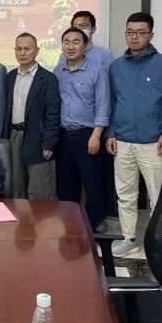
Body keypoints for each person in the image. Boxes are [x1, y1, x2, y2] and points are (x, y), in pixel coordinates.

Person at [106, 12, 162, 257]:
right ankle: (129, 238)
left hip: (154, 142)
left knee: (158, 196)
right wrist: (111, 133)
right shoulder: (116, 66)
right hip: (122, 141)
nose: (134, 37)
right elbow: (112, 102)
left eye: (140, 32)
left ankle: (159, 241)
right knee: (125, 195)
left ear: (151, 35)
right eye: (130, 32)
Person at [54, 27, 110, 232]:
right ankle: (70, 223)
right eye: (66, 42)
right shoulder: (58, 71)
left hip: (87, 136)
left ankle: (94, 223)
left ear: (85, 46)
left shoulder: (97, 70)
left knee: (92, 182)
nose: (71, 46)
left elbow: (103, 104)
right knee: (66, 184)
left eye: (76, 42)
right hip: (63, 136)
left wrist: (96, 135)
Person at [3, 33, 60, 200]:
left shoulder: (48, 79)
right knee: (16, 188)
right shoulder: (10, 76)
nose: (22, 53)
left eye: (27, 49)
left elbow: (53, 114)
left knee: (39, 190)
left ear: (37, 51)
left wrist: (49, 142)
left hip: (37, 138)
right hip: (13, 136)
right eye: (19, 49)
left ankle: (40, 219)